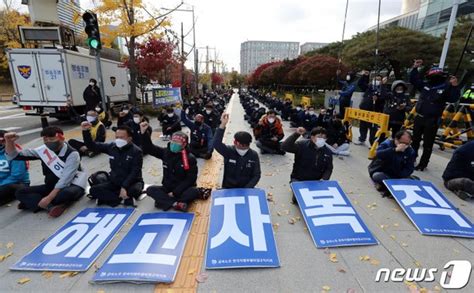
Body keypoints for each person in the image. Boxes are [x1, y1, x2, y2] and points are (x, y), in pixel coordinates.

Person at [4, 127, 86, 217]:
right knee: (20, 192)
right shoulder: (43, 151)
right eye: (45, 140)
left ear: (61, 138)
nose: (48, 142)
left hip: (71, 185)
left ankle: (35, 203)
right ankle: (49, 206)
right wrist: (9, 141)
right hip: (50, 186)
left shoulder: (72, 154)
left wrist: (49, 197)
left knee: (66, 194)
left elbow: (65, 180)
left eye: (52, 139)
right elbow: (14, 156)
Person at [410, 59, 460, 171]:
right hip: (419, 117)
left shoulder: (446, 87)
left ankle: (423, 164)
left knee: (428, 144)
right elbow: (414, 80)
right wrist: (415, 68)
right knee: (415, 141)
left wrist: (454, 86)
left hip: (432, 120)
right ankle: (411, 159)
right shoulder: (425, 85)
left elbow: (453, 98)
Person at [141, 122, 202, 211]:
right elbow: (149, 148)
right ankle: (176, 203)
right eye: (173, 141)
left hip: (182, 189)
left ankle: (165, 201)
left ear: (184, 144)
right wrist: (144, 133)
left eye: (177, 142)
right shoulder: (165, 153)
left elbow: (190, 179)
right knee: (150, 190)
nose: (174, 144)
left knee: (193, 192)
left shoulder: (190, 158)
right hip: (167, 187)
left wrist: (175, 193)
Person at [82, 123, 144, 207]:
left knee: (134, 190)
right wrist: (86, 132)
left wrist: (124, 187)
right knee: (93, 190)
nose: (118, 139)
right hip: (115, 181)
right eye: (117, 137)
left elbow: (135, 172)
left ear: (129, 138)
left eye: (121, 137)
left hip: (132, 182)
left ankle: (111, 197)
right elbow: (92, 146)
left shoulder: (136, 151)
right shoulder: (111, 147)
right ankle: (120, 199)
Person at [282, 126, 333, 203]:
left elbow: (329, 168)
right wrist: (296, 134)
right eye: (319, 137)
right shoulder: (302, 145)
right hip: (299, 179)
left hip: (316, 181)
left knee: (320, 199)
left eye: (324, 137)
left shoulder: (327, 152)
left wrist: (324, 179)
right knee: (301, 199)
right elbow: (285, 146)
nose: (321, 139)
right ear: (312, 137)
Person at [213, 113, 261, 188]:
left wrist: (246, 188)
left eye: (236, 141)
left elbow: (256, 175)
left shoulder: (253, 155)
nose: (234, 143)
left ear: (244, 144)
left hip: (246, 188)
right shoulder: (229, 151)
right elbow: (216, 143)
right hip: (229, 187)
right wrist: (222, 124)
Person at [368, 130, 416, 197]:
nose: (404, 146)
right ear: (396, 140)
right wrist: (394, 150)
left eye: (407, 144)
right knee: (377, 176)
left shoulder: (410, 151)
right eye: (402, 143)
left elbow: (410, 168)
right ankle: (391, 186)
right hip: (384, 172)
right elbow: (378, 154)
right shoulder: (387, 144)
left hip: (398, 175)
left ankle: (386, 186)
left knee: (415, 180)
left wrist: (401, 175)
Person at [355, 71, 387, 146]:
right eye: (376, 79)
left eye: (379, 80)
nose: (377, 81)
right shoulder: (369, 87)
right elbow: (360, 84)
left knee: (373, 128)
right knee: (363, 125)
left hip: (374, 111)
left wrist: (378, 98)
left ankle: (372, 142)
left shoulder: (382, 88)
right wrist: (364, 76)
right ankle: (362, 138)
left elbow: (384, 97)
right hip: (364, 109)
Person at [0, 130, 30, 206]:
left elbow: (17, 176)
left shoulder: (15, 153)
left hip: (16, 183)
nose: (1, 143)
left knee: (10, 187)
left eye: (3, 140)